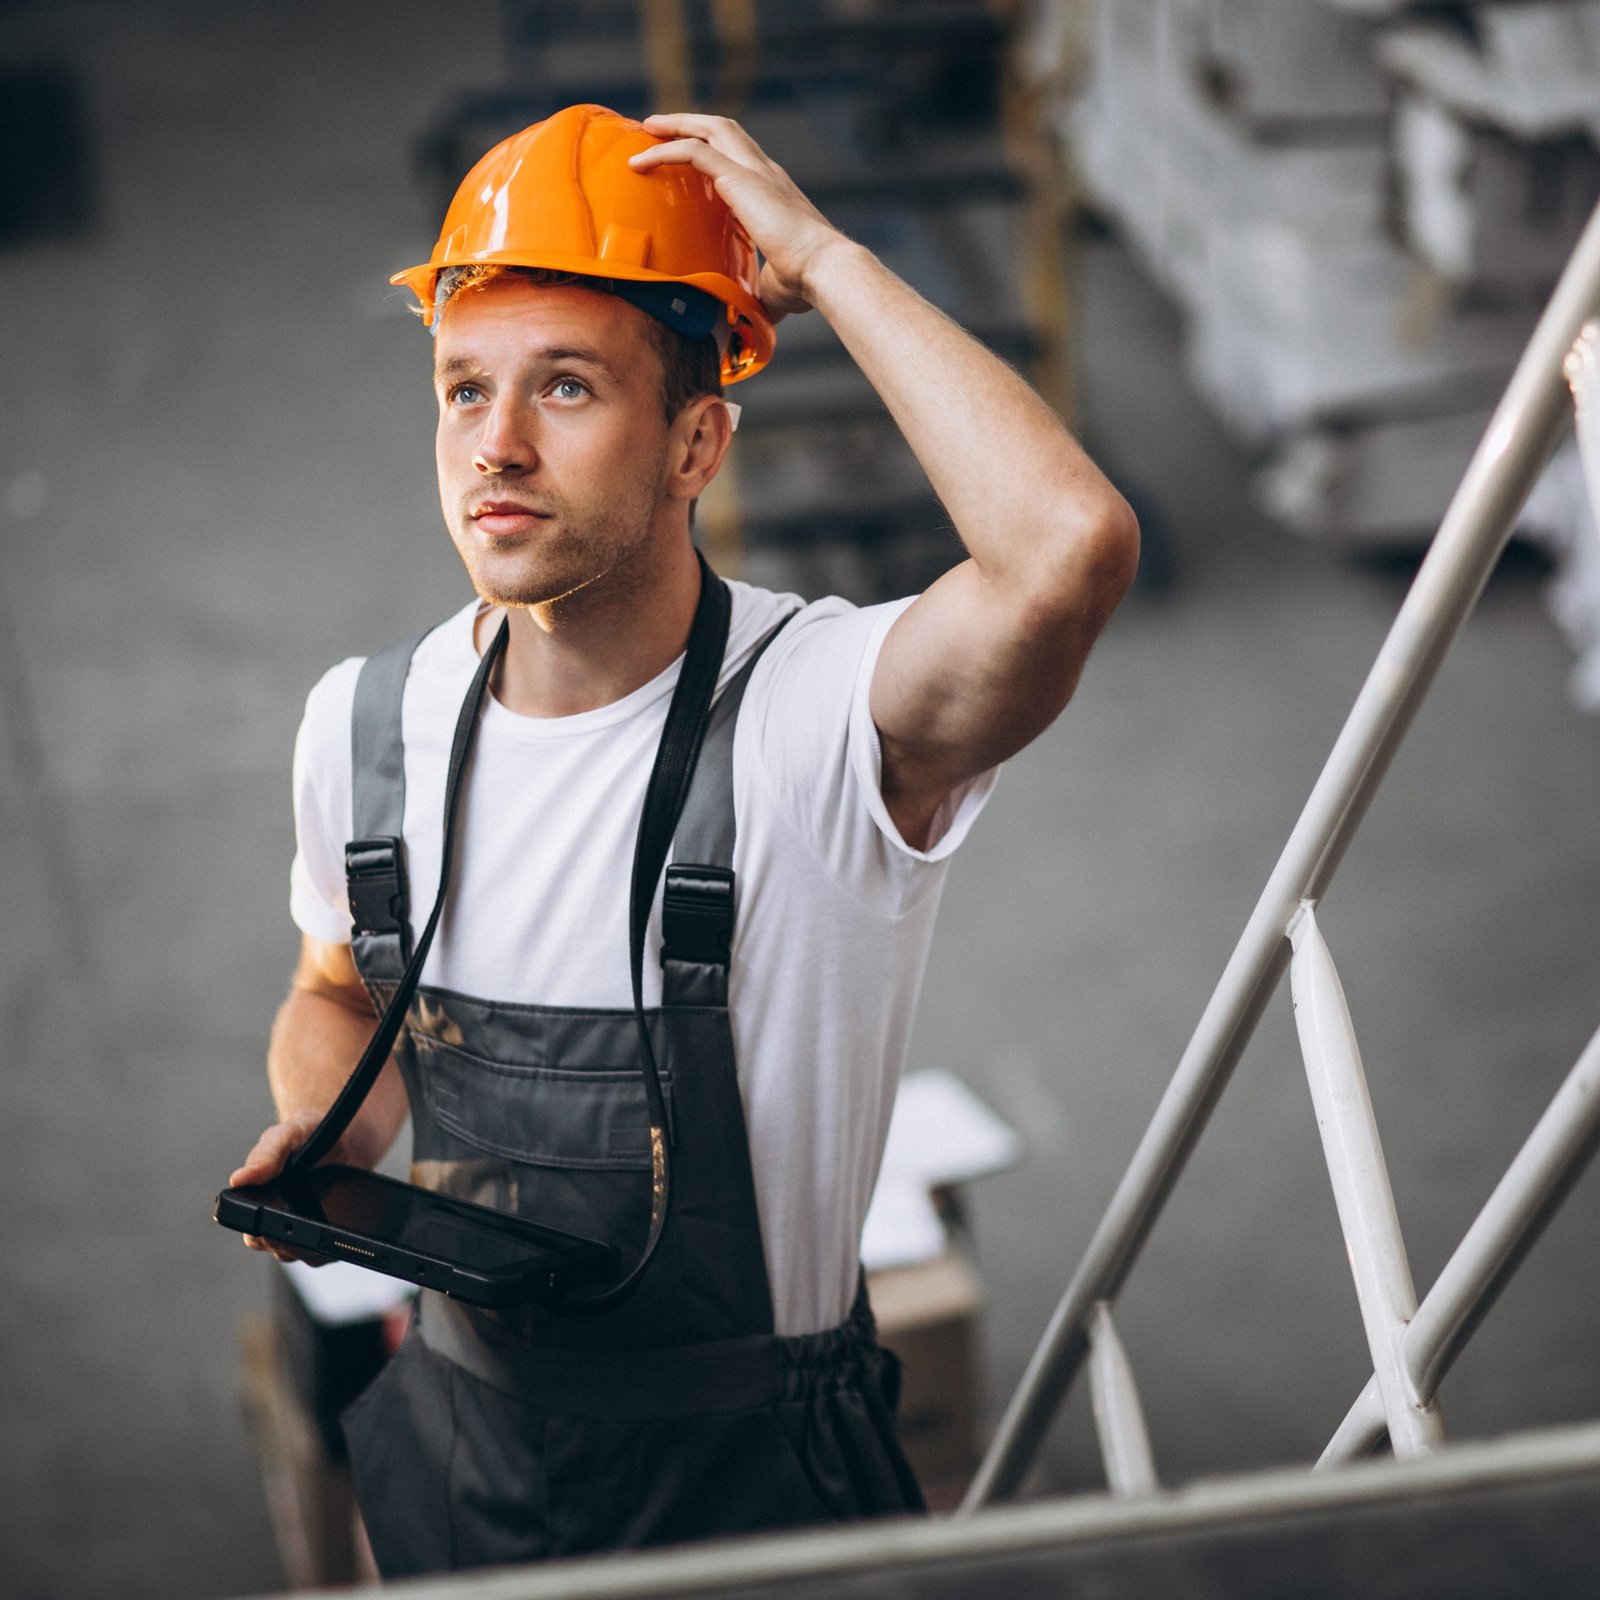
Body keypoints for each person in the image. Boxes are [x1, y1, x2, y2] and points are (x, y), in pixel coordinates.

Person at [229, 104, 1137, 1576]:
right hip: (460, 1452)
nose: (497, 447)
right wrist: (338, 1134)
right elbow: (337, 985)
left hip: (758, 1490)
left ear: (698, 438)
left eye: (568, 389)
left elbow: (1067, 552)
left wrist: (826, 259)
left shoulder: (822, 722)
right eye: (465, 391)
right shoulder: (364, 723)